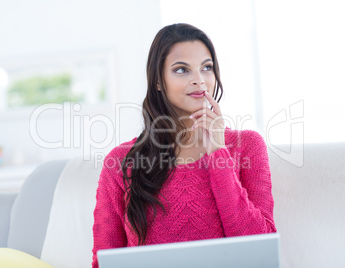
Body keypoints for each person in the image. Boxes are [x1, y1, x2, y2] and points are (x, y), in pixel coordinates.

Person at [91, 23, 276, 268]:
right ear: (158, 81)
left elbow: (260, 249)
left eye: (206, 68)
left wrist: (218, 155)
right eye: (182, 70)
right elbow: (102, 260)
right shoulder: (121, 161)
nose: (199, 81)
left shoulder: (247, 146)